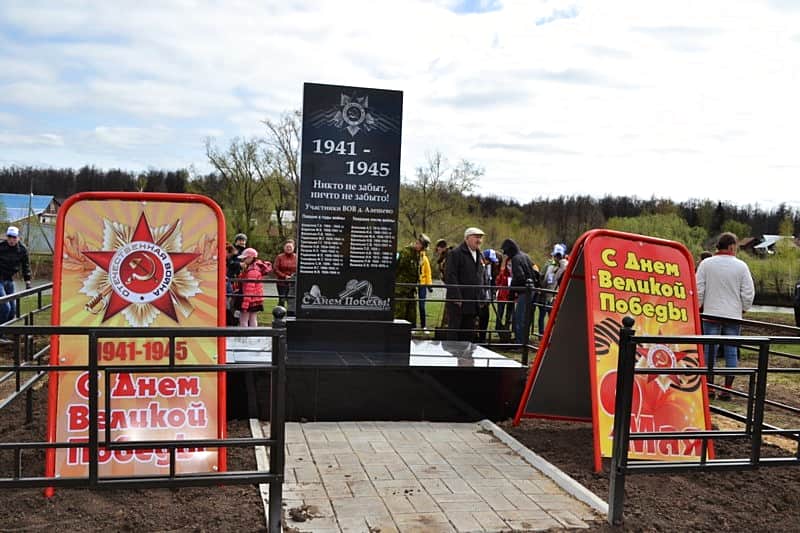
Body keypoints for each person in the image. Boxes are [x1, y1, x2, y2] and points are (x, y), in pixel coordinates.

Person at [696, 232, 755, 400]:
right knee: (731, 351)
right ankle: (727, 389)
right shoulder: (741, 266)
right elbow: (748, 292)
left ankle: (709, 387)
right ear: (731, 246)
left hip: (710, 313)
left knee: (709, 351)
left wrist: (699, 306)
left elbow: (698, 289)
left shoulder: (706, 264)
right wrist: (743, 308)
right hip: (733, 315)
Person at [445, 227, 485, 341]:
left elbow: (481, 277)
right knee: (455, 330)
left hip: (473, 301)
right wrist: (456, 296)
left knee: (468, 332)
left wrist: (481, 296)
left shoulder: (479, 254)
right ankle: (453, 352)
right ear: (467, 238)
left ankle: (466, 352)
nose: (479, 240)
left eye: (480, 238)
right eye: (476, 237)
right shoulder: (455, 253)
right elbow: (451, 275)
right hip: (459, 301)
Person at [499, 238, 538, 346]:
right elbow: (534, 272)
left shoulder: (516, 259)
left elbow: (519, 277)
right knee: (523, 317)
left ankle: (520, 342)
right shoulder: (525, 256)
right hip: (530, 289)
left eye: (506, 252)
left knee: (519, 318)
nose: (506, 254)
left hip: (524, 291)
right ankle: (521, 340)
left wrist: (513, 289)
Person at [0, 226, 32, 334]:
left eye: (14, 237)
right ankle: (1, 334)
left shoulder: (22, 250)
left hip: (9, 279)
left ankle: (4, 331)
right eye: (9, 237)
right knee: (5, 307)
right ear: (6, 237)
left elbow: (25, 266)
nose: (11, 240)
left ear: (18, 238)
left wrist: (27, 281)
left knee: (13, 310)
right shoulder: (1, 247)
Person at [394, 234, 430, 326]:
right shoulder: (406, 253)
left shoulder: (418, 255)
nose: (422, 250)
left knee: (411, 316)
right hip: (401, 290)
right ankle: (397, 332)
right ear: (418, 244)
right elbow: (396, 268)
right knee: (400, 314)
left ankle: (410, 331)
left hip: (411, 290)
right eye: (422, 247)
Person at [536, 243, 568, 335]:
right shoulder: (551, 266)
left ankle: (555, 335)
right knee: (544, 317)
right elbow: (545, 279)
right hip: (547, 295)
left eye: (558, 256)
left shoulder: (565, 266)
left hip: (555, 297)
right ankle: (543, 335)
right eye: (556, 256)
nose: (556, 257)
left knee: (554, 318)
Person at [237, 247, 272, 327]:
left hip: (249, 299)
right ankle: (254, 333)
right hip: (255, 299)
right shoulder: (255, 269)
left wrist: (245, 303)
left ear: (250, 258)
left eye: (244, 258)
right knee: (253, 318)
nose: (243, 260)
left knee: (243, 319)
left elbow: (249, 288)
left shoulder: (252, 271)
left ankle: (244, 333)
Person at [477, 249, 498, 342]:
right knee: (481, 318)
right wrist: (482, 299)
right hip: (480, 299)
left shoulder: (486, 267)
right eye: (489, 260)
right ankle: (480, 338)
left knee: (485, 318)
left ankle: (482, 337)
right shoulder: (480, 267)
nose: (490, 263)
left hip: (485, 298)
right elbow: (481, 283)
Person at [273, 239, 297, 310]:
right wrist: (284, 276)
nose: (288, 248)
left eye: (290, 247)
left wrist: (293, 276)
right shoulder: (279, 257)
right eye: (287, 247)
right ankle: (280, 314)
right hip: (282, 283)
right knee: (282, 300)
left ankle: (291, 314)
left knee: (292, 300)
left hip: (293, 283)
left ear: (293, 248)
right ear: (284, 247)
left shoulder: (296, 257)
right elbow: (275, 269)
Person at [494, 253, 514, 338]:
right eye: (509, 264)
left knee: (509, 313)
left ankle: (507, 328)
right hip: (502, 295)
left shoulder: (514, 274)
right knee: (500, 312)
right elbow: (498, 282)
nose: (510, 266)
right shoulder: (503, 273)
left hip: (510, 295)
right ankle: (498, 327)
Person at [418, 246, 433, 330]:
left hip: (422, 284)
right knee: (412, 305)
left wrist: (429, 285)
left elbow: (428, 273)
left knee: (422, 305)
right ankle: (413, 325)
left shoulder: (425, 259)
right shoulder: (414, 258)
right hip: (415, 283)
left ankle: (423, 325)